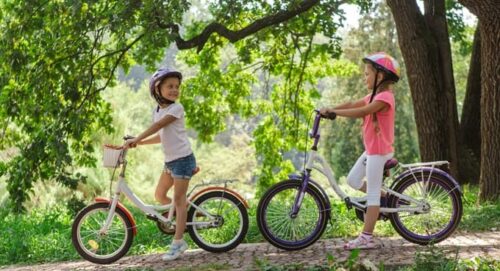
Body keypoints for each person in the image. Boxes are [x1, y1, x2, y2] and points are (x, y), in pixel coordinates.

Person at [320, 52, 400, 250]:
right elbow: (352, 104)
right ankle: (385, 198)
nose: (364, 77)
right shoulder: (373, 95)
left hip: (379, 152)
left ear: (380, 76)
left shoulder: (385, 97)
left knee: (371, 195)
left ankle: (366, 237)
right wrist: (330, 108)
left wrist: (335, 114)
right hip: (372, 151)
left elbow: (363, 111)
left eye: (367, 74)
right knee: (353, 180)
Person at [122, 68, 196, 260]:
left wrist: (137, 137)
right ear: (158, 89)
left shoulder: (176, 109)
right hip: (170, 162)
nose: (175, 90)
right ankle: (187, 213)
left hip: (183, 160)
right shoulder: (158, 110)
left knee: (178, 202)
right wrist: (139, 142)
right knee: (159, 195)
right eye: (170, 86)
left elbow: (158, 126)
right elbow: (160, 136)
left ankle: (178, 242)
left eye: (177, 87)